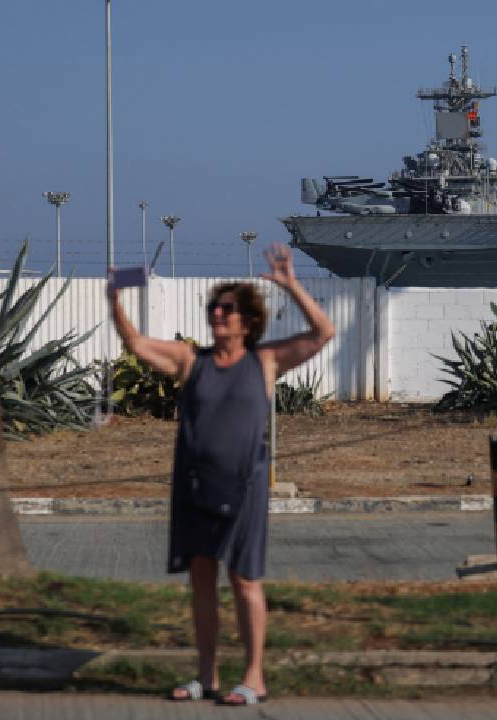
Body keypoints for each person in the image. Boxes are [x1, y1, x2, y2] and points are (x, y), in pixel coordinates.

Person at [107, 243, 334, 706]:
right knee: (202, 581)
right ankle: (206, 677)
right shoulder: (192, 361)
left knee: (245, 580)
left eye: (226, 309)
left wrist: (290, 285)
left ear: (247, 321)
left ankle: (254, 678)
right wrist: (115, 300)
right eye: (214, 308)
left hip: (245, 489)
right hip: (194, 487)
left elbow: (323, 332)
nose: (217, 315)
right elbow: (136, 344)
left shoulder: (266, 361)